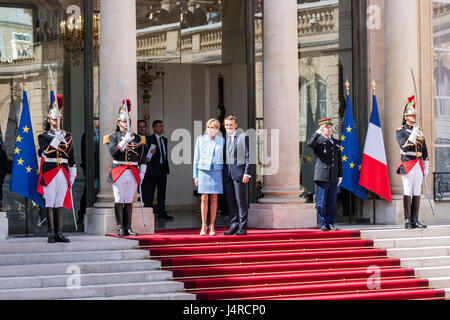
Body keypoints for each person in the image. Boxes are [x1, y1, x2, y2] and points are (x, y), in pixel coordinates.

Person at [104, 100, 147, 236]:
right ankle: (120, 227)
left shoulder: (138, 138)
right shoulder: (113, 137)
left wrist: (143, 172)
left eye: (127, 121)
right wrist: (124, 141)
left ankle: (128, 227)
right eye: (123, 121)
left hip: (133, 171)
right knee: (119, 199)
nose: (125, 124)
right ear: (118, 123)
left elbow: (143, 157)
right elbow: (113, 152)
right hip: (119, 170)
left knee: (129, 200)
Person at [37, 95, 76, 243]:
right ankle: (50, 233)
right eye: (53, 119)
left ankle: (59, 232)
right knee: (50, 201)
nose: (56, 121)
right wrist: (56, 139)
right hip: (50, 169)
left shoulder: (68, 136)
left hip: (63, 169)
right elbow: (45, 151)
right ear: (49, 120)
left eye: (58, 119)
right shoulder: (44, 136)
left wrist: (72, 172)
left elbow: (71, 155)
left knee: (59, 201)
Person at [396, 95, 429, 229]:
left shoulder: (419, 131)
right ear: (406, 117)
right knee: (408, 190)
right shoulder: (401, 131)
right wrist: (413, 134)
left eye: (415, 115)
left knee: (417, 191)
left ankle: (415, 219)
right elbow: (404, 146)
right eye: (411, 115)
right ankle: (407, 220)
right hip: (408, 163)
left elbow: (425, 150)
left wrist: (426, 165)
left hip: (418, 164)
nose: (414, 117)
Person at [307, 117, 343, 232]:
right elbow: (310, 143)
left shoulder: (336, 142)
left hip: (333, 176)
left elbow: (339, 160)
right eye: (327, 127)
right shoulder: (318, 141)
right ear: (322, 129)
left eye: (330, 127)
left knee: (332, 201)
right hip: (322, 175)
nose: (329, 129)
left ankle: (330, 222)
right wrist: (317, 132)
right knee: (321, 201)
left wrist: (340, 174)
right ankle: (322, 223)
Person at [193, 118, 224, 236]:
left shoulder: (221, 141)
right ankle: (203, 225)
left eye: (213, 128)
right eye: (209, 127)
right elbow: (196, 158)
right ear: (206, 128)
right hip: (203, 171)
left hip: (216, 171)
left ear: (217, 130)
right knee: (204, 198)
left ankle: (212, 225)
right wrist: (195, 175)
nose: (211, 130)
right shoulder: (200, 140)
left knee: (214, 198)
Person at [223, 115, 251, 236]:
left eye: (231, 125)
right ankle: (234, 225)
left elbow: (248, 156)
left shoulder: (242, 137)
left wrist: (247, 173)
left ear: (236, 125)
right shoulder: (223, 138)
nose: (229, 127)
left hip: (239, 173)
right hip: (227, 174)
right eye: (227, 125)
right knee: (230, 201)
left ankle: (242, 227)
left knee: (240, 201)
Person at [145, 120, 172, 220]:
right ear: (154, 128)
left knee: (162, 192)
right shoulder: (149, 139)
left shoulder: (164, 140)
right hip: (153, 169)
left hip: (163, 168)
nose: (161, 128)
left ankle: (162, 213)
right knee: (150, 192)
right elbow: (148, 156)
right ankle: (148, 213)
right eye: (159, 126)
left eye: (162, 126)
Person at [77, 121, 100, 226]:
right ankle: (81, 215)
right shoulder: (87, 135)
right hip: (92, 169)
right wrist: (87, 169)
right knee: (89, 192)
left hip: (102, 169)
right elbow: (84, 153)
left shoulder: (105, 134)